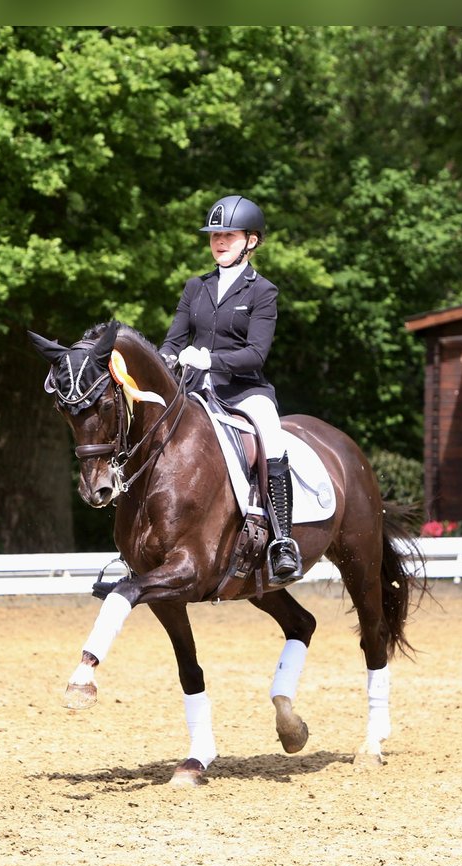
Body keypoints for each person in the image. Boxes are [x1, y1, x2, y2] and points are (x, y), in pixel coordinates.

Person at [158, 194, 302, 586]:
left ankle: (284, 542)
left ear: (251, 241)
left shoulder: (262, 292)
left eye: (229, 235)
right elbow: (173, 341)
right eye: (214, 236)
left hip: (243, 390)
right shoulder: (195, 287)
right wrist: (165, 362)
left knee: (272, 438)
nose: (219, 242)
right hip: (193, 390)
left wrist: (211, 360)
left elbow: (256, 354)